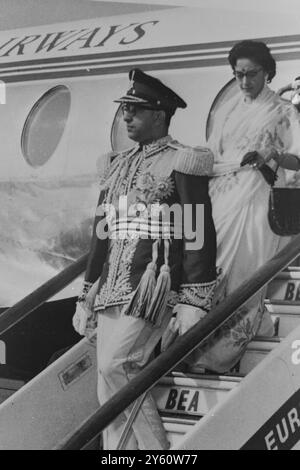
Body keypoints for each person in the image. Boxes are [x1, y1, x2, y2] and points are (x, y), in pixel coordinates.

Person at [72, 68, 217, 450]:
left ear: (159, 114)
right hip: (110, 291)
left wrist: (192, 299)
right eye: (124, 109)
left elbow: (198, 231)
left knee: (117, 368)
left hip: (150, 290)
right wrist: (87, 293)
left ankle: (158, 454)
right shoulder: (116, 165)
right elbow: (100, 236)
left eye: (135, 110)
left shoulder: (182, 161)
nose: (126, 117)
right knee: (108, 390)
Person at [191, 40, 300, 374]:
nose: (244, 82)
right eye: (238, 75)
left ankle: (219, 357)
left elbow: (298, 160)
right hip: (221, 198)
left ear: (267, 72)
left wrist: (274, 156)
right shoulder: (227, 111)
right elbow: (212, 155)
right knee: (212, 271)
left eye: (251, 74)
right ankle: (196, 348)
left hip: (258, 203)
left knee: (243, 276)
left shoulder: (284, 111)